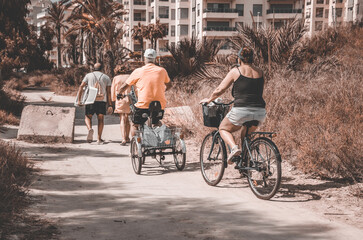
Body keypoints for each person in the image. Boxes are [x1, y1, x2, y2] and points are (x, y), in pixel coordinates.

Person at [200, 47, 266, 164]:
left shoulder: (236, 71)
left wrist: (209, 100)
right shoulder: (260, 72)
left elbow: (220, 89)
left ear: (239, 59)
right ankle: (246, 162)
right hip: (260, 111)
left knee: (223, 128)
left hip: (242, 109)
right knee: (245, 134)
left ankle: (234, 148)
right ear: (252, 59)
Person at [117, 49, 171, 135]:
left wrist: (119, 94)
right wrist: (163, 90)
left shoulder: (138, 71)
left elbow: (124, 86)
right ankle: (160, 139)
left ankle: (135, 143)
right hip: (159, 105)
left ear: (144, 58)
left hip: (143, 105)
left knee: (135, 124)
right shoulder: (162, 71)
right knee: (156, 122)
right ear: (155, 59)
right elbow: (169, 85)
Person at [77, 62, 113, 144]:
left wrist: (79, 100)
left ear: (93, 68)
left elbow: (81, 86)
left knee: (88, 117)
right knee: (100, 119)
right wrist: (110, 104)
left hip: (90, 100)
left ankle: (90, 129)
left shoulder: (88, 76)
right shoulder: (106, 77)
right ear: (102, 68)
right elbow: (109, 92)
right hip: (101, 101)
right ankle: (99, 139)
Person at [111, 74, 131, 145]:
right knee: (128, 118)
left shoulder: (116, 78)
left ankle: (123, 139)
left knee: (122, 118)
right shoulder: (130, 76)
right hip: (129, 99)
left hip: (120, 99)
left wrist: (113, 99)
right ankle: (127, 137)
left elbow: (113, 89)